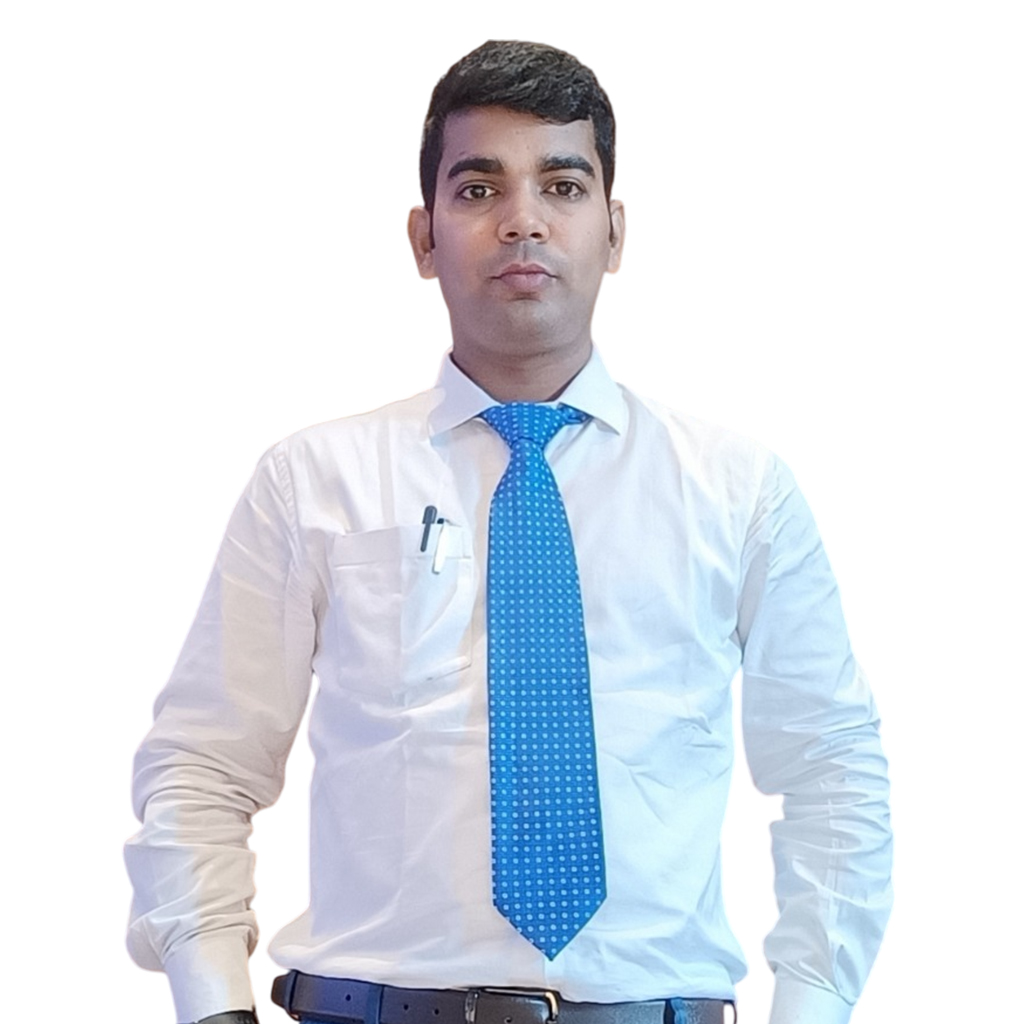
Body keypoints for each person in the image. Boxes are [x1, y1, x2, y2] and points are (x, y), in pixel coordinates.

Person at [126, 40, 893, 1024]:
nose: (523, 220)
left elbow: (831, 764)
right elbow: (204, 760)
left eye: (562, 186)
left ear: (614, 230)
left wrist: (816, 1004)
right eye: (479, 188)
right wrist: (214, 1005)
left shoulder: (737, 490)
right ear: (423, 237)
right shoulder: (314, 481)